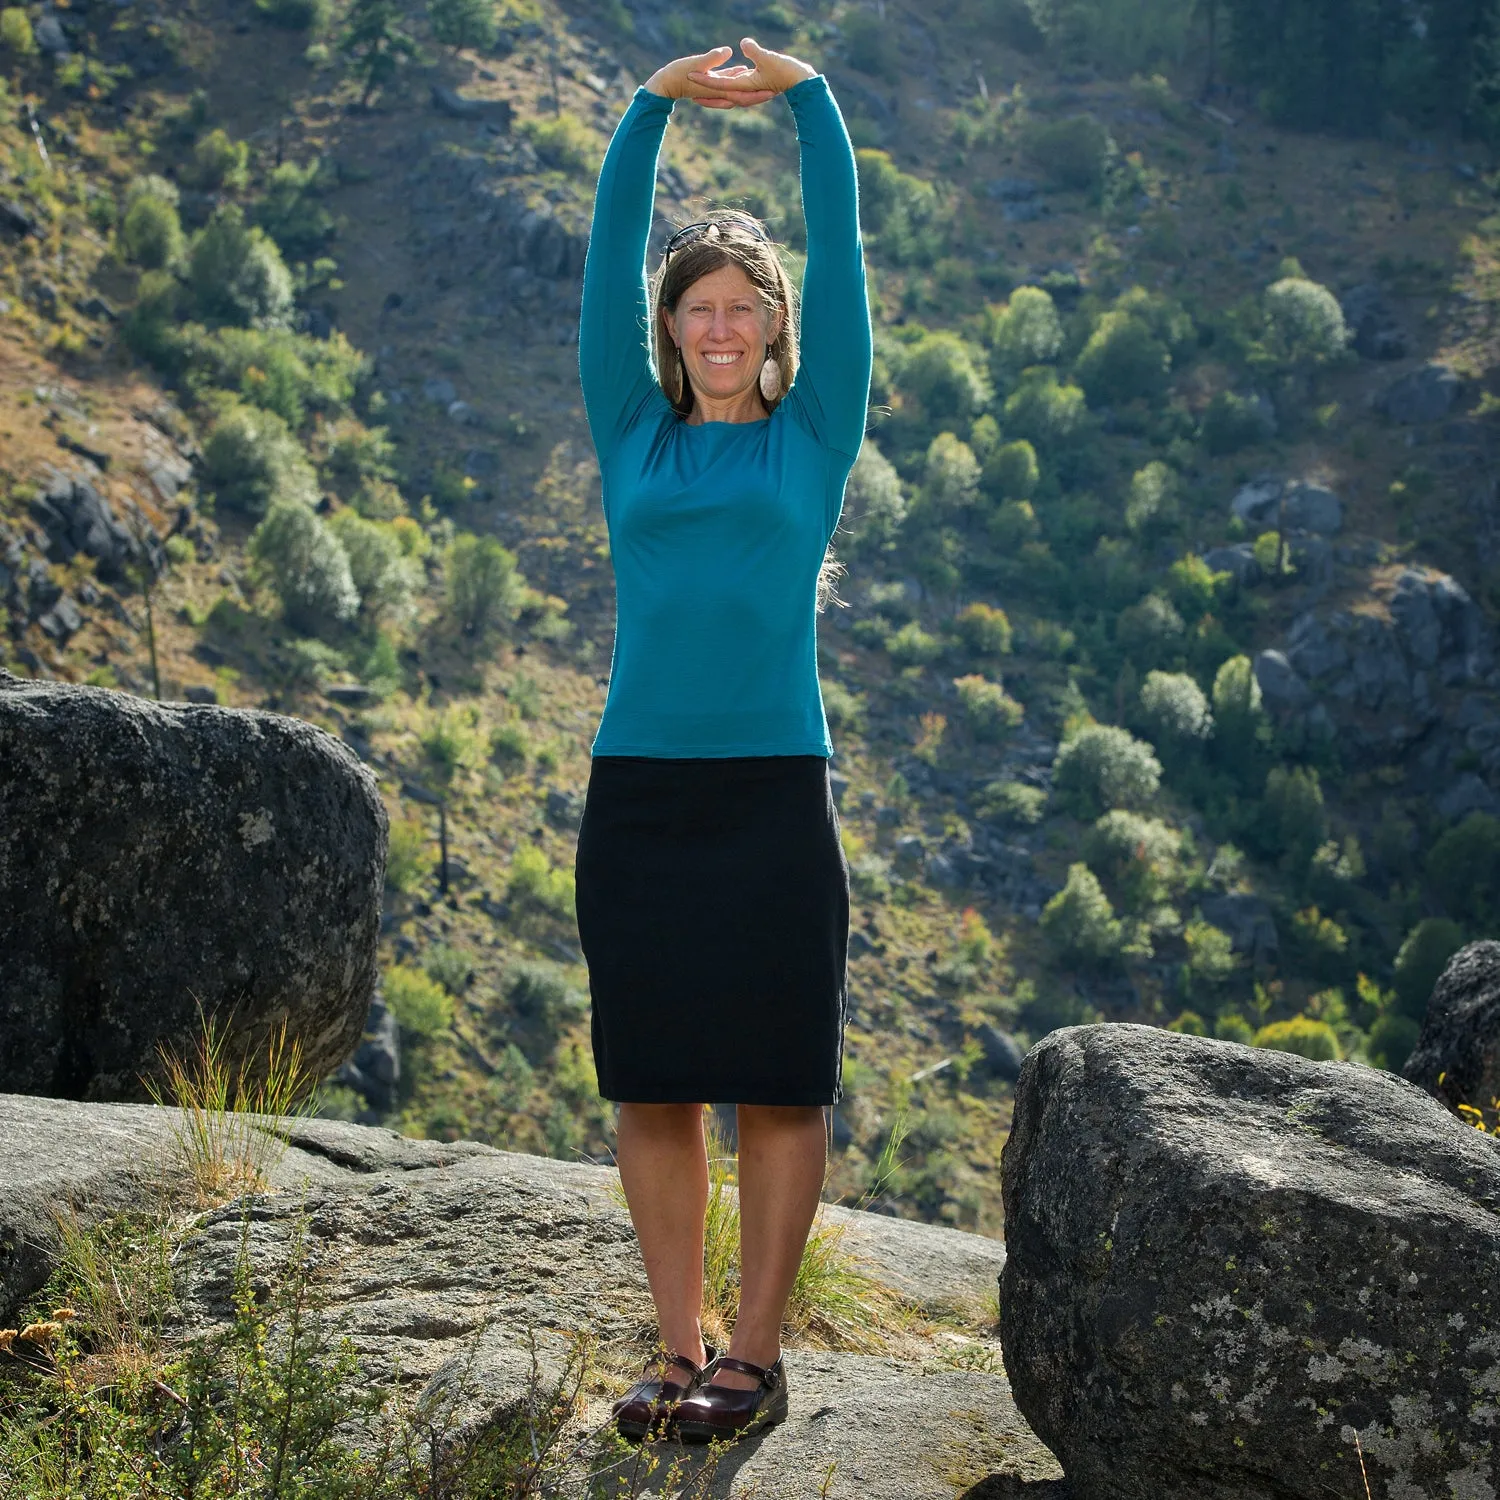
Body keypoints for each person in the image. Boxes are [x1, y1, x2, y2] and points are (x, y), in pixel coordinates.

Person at [574, 36, 871, 1445]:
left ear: (778, 329)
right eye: (698, 304)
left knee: (777, 1080)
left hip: (770, 797)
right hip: (636, 798)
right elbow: (604, 256)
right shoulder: (631, 434)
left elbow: (847, 243)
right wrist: (648, 108)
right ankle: (677, 1346)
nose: (720, 323)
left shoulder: (811, 442)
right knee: (654, 1080)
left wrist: (805, 100)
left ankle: (753, 1356)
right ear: (670, 329)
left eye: (746, 304)